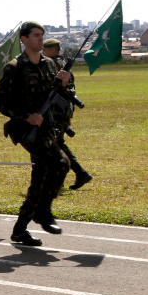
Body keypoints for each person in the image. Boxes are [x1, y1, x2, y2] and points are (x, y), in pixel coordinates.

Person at [0, 22, 71, 246]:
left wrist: (64, 85)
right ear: (24, 39)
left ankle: (20, 230)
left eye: (42, 35)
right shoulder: (15, 67)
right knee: (60, 162)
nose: (41, 39)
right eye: (36, 35)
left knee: (40, 178)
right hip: (26, 128)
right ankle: (43, 211)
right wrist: (26, 116)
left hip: (47, 127)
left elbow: (55, 95)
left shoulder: (49, 65)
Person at [42, 38, 93, 190]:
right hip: (64, 109)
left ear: (52, 49)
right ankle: (73, 174)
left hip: (56, 110)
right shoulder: (64, 64)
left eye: (45, 49)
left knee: (55, 144)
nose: (43, 52)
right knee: (57, 142)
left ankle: (79, 173)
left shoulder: (53, 64)